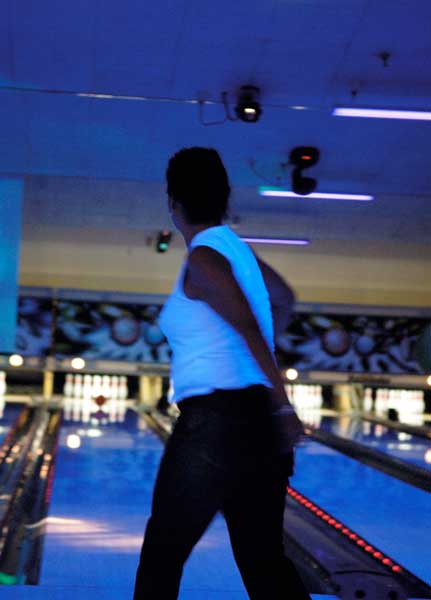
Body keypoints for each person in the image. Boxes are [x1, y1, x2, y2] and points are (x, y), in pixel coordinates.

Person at [133, 147, 311, 600]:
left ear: (172, 203)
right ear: (224, 197)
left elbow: (249, 325)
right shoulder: (238, 251)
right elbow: (282, 298)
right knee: (262, 559)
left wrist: (283, 401)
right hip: (256, 427)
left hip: (217, 422)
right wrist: (272, 404)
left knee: (162, 554)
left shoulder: (205, 259)